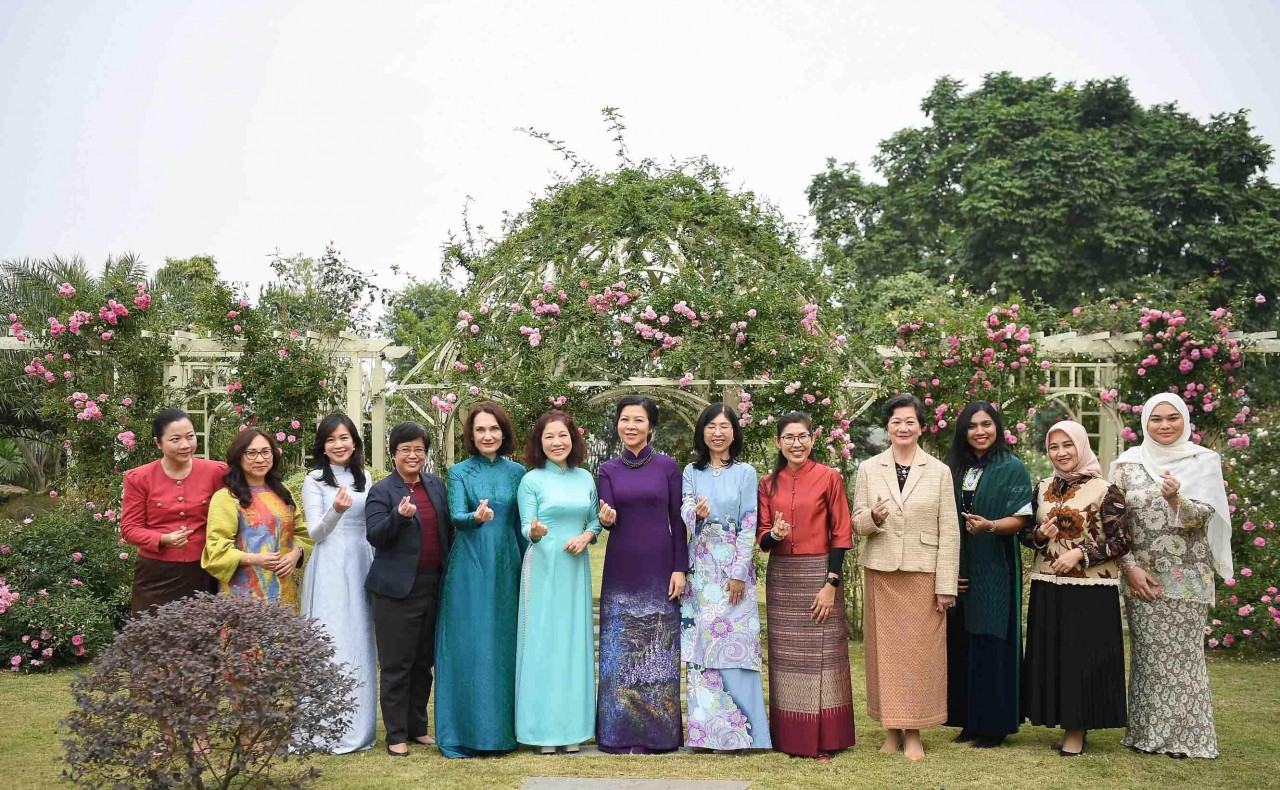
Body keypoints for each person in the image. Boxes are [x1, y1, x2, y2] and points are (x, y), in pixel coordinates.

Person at [1112, 393, 1232, 759]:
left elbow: (1206, 516)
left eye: (1172, 418)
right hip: (1141, 576)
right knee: (1148, 658)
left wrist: (1178, 499)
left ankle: (1189, 739)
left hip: (1187, 577)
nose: (1164, 425)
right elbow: (1114, 523)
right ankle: (1147, 735)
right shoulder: (1126, 464)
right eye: (1156, 419)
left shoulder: (1202, 461)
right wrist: (1129, 567)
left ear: (1185, 421)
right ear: (1145, 423)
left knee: (1185, 658)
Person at [852, 393, 959, 761]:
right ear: (887, 427)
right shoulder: (869, 469)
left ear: (921, 426)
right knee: (884, 655)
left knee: (919, 655)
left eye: (910, 421)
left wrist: (946, 585)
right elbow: (857, 522)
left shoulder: (939, 471)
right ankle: (891, 729)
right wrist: (875, 518)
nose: (903, 427)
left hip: (922, 573)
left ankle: (914, 730)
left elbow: (950, 531)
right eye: (896, 421)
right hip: (882, 572)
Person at [1020, 420, 1131, 757]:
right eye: (1054, 447)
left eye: (1067, 445)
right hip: (1048, 584)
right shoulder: (1041, 487)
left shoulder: (1105, 489)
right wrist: (1041, 534)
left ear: (1081, 446)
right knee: (1054, 656)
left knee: (1079, 658)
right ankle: (1061, 719)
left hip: (1088, 590)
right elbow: (1026, 535)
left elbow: (1122, 541)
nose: (1060, 452)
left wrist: (1080, 554)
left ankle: (1076, 731)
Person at [757, 411, 855, 762]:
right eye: (788, 438)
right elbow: (762, 538)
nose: (796, 444)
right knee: (787, 660)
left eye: (802, 437)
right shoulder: (768, 484)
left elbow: (842, 532)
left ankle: (828, 738)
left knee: (824, 655)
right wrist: (775, 535)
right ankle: (789, 736)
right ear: (778, 442)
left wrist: (831, 582)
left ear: (813, 440)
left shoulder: (829, 477)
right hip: (782, 578)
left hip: (820, 572)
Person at [595, 395, 687, 754]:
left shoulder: (668, 467)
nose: (630, 426)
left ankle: (660, 735)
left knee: (659, 650)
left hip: (660, 568)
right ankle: (617, 734)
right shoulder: (607, 469)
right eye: (624, 420)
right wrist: (605, 520)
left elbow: (679, 521)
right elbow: (606, 513)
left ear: (651, 426)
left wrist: (680, 567)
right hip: (621, 569)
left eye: (638, 420)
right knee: (621, 652)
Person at [435, 402, 527, 758]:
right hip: (470, 568)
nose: (488, 435)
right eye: (480, 430)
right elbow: (455, 516)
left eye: (493, 429)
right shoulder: (458, 471)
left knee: (505, 645)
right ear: (471, 436)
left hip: (508, 564)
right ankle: (465, 734)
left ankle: (506, 732)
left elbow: (522, 523)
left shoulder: (518, 472)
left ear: (503, 432)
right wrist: (476, 515)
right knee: (472, 647)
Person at [680, 403, 772, 751]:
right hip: (700, 571)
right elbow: (685, 508)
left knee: (739, 649)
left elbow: (750, 523)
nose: (717, 433)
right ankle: (706, 736)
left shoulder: (746, 472)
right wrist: (695, 513)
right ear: (702, 432)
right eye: (711, 427)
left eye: (724, 426)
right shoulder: (691, 470)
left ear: (734, 432)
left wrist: (738, 574)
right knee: (702, 647)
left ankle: (746, 735)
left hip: (735, 570)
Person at [941, 401, 1032, 748]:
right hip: (961, 566)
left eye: (986, 424)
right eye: (972, 426)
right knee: (962, 642)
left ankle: (994, 725)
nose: (980, 431)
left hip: (994, 563)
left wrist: (991, 525)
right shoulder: (954, 468)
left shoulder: (1012, 467)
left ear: (998, 427)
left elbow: (1023, 517)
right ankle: (968, 719)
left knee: (992, 641)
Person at [515, 411, 601, 754]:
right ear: (539, 442)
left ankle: (572, 730)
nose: (556, 442)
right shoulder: (531, 480)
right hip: (544, 567)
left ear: (573, 439)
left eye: (562, 435)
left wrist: (586, 536)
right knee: (542, 645)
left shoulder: (585, 478)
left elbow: (594, 522)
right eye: (549, 437)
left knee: (572, 645)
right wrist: (534, 532)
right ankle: (541, 731)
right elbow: (526, 526)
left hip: (574, 569)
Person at [364, 422, 450, 757]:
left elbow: (447, 529)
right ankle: (396, 733)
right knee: (397, 664)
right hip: (395, 591)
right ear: (394, 454)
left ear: (425, 453)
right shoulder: (383, 491)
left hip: (432, 584)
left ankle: (417, 727)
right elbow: (375, 535)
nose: (412, 455)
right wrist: (399, 517)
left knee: (422, 662)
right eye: (405, 449)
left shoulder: (435, 486)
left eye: (418, 449)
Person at [300, 413, 376, 754]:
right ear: (323, 446)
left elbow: (372, 527)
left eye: (344, 438)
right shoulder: (314, 479)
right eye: (331, 439)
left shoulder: (366, 478)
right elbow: (315, 532)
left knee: (360, 636)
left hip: (361, 559)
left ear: (355, 442)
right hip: (330, 562)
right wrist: (336, 511)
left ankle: (359, 726)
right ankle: (322, 724)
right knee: (331, 636)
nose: (339, 445)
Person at [121, 408, 227, 614]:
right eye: (175, 439)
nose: (185, 445)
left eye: (190, 437)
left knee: (202, 636)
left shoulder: (216, 472)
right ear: (158, 443)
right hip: (156, 574)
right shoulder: (139, 477)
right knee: (152, 637)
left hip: (204, 569)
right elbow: (129, 528)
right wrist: (163, 539)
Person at [202, 429, 312, 605]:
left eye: (265, 452)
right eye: (251, 453)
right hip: (243, 596)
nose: (260, 459)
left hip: (283, 591)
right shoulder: (226, 498)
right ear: (238, 456)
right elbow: (215, 551)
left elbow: (302, 532)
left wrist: (296, 553)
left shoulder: (282, 491)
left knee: (285, 632)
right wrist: (254, 559)